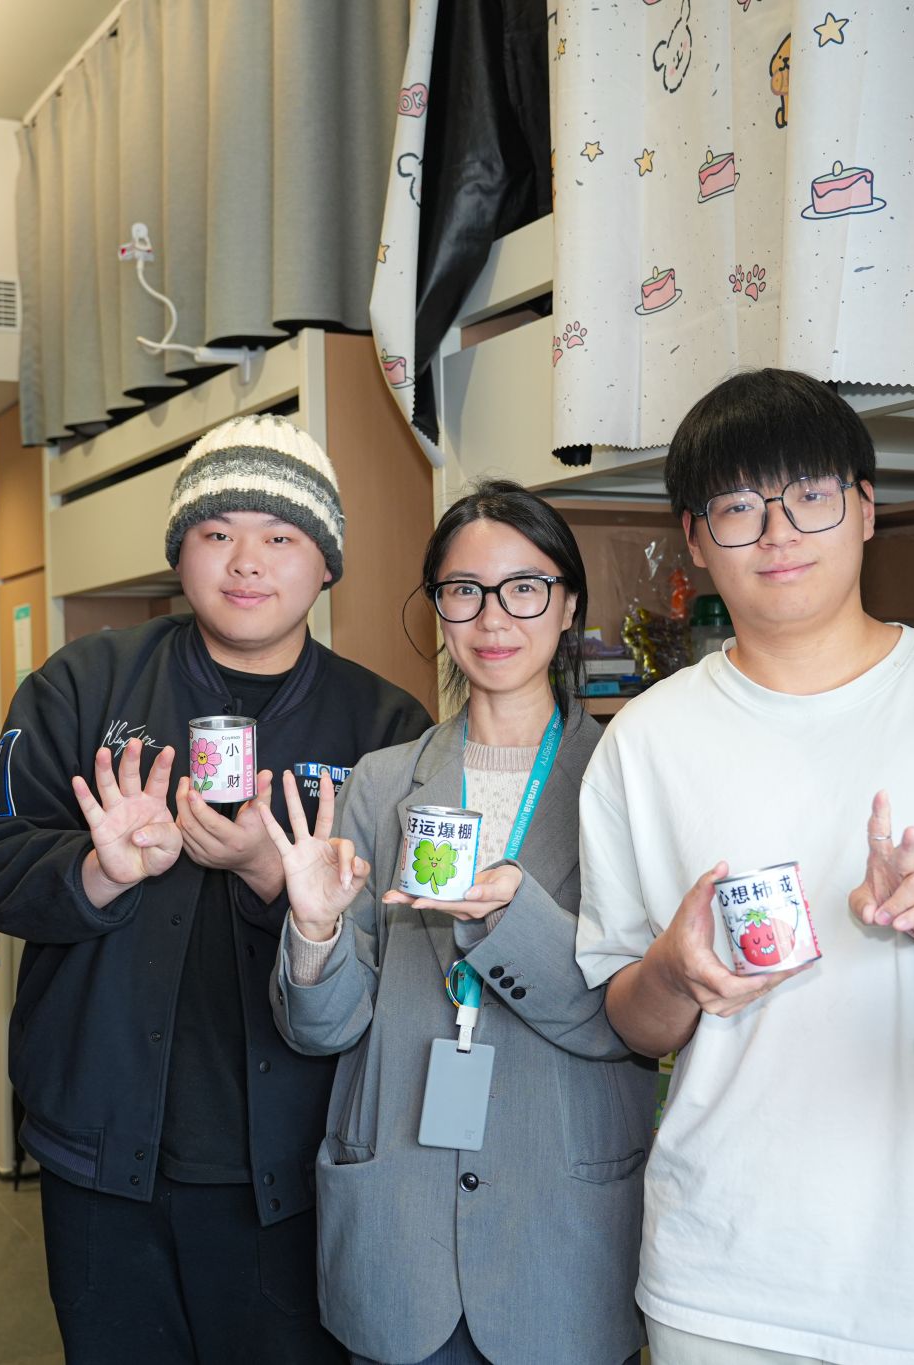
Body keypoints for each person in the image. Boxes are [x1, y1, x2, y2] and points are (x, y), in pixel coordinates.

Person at [574, 368, 914, 1365]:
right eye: (738, 507)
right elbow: (632, 1020)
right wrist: (675, 975)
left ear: (865, 509)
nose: (777, 534)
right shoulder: (645, 740)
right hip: (724, 1276)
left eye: (810, 495)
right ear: (695, 539)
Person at [0, 414, 431, 1362]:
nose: (246, 561)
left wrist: (270, 875)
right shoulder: (82, 686)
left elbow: (406, 949)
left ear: (327, 564)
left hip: (300, 1165)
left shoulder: (384, 724)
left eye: (281, 536)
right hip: (100, 1156)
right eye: (217, 532)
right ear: (180, 552)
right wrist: (98, 871)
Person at [265, 480, 655, 1365]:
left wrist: (513, 919)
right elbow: (322, 1030)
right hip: (398, 1229)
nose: (493, 616)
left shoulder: (626, 781)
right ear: (438, 608)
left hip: (564, 1235)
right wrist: (316, 934)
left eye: (525, 587)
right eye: (464, 590)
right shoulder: (381, 782)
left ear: (569, 606)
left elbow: (633, 1022)